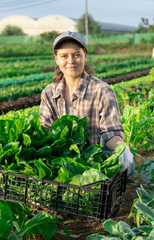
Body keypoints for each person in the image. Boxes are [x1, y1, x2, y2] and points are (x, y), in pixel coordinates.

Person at [39, 31, 135, 176]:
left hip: (95, 165)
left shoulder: (102, 91)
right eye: (64, 56)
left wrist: (121, 148)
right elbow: (46, 133)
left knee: (123, 165)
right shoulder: (48, 93)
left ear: (85, 56)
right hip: (62, 165)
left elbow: (111, 132)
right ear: (56, 59)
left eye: (76, 55)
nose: (70, 61)